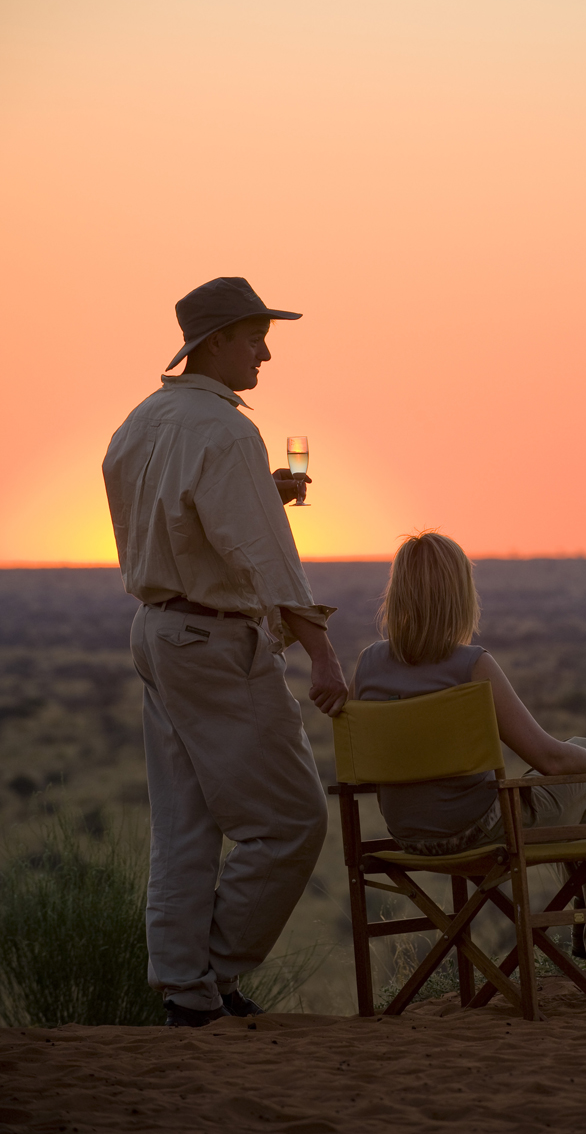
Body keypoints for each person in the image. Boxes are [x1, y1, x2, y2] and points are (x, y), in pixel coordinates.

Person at [102, 276, 348, 1028]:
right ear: (214, 343)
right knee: (294, 820)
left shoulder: (139, 422)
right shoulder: (229, 433)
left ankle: (189, 992)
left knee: (185, 822)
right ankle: (215, 968)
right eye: (252, 336)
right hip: (214, 639)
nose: (265, 352)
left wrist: (255, 493)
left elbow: (175, 524)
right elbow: (271, 559)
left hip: (156, 630)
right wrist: (320, 651)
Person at [351, 531, 586, 1000]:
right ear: (460, 595)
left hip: (409, 836)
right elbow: (549, 758)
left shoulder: (367, 664)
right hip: (483, 830)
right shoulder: (471, 665)